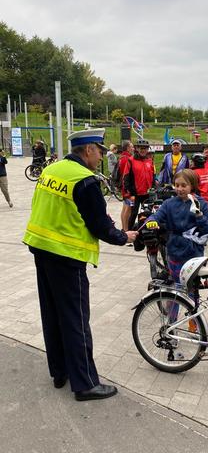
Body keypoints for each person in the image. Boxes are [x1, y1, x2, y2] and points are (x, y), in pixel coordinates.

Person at [23, 129, 138, 401]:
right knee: (75, 319)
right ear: (88, 150)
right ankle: (85, 383)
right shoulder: (84, 180)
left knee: (52, 313)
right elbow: (100, 225)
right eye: (99, 151)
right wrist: (124, 236)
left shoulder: (53, 169)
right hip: (66, 255)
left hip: (41, 247)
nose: (100, 156)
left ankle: (60, 371)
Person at [146, 169, 208, 284]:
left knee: (191, 288)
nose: (179, 189)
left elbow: (207, 230)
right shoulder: (169, 204)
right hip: (174, 251)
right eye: (176, 185)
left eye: (183, 185)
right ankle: (174, 302)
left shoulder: (201, 203)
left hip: (193, 254)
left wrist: (199, 215)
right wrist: (152, 221)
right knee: (177, 286)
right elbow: (156, 216)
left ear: (192, 185)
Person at [123, 139, 156, 230]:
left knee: (148, 213)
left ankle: (146, 233)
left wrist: (153, 187)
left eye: (145, 148)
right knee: (133, 214)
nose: (143, 150)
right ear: (137, 148)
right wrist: (130, 193)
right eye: (141, 148)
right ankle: (129, 233)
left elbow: (152, 176)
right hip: (135, 194)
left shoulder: (149, 160)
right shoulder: (131, 160)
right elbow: (126, 177)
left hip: (147, 193)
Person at [190, 153, 208, 231]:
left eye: (192, 161)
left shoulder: (193, 173)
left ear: (195, 163)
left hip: (199, 199)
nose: (191, 163)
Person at [119, 140, 134, 231]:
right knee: (128, 210)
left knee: (125, 208)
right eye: (131, 147)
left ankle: (124, 229)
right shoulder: (127, 159)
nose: (133, 149)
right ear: (128, 148)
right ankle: (126, 230)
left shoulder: (121, 157)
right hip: (127, 188)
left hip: (124, 187)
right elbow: (127, 175)